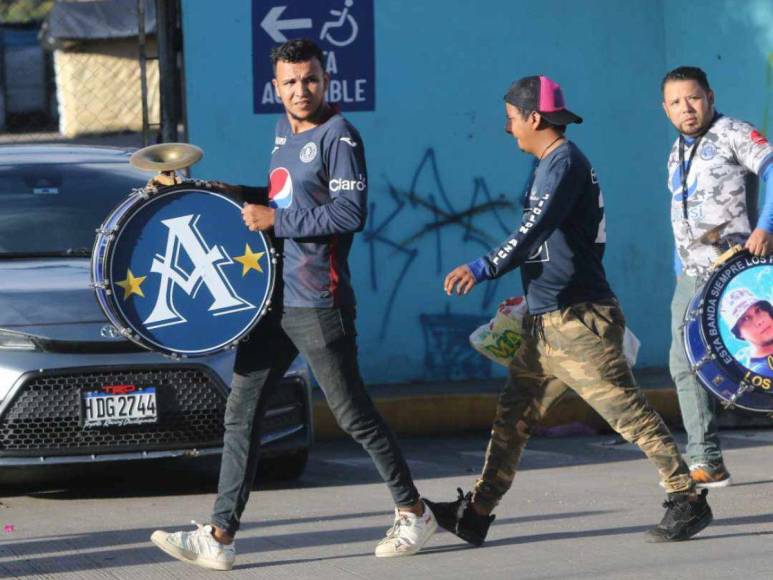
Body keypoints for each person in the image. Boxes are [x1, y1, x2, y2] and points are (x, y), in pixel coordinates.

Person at [150, 38, 436, 571]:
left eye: (310, 79)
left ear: (326, 79)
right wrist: (212, 191)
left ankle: (414, 511)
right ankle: (220, 535)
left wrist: (275, 221)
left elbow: (349, 214)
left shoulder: (340, 136)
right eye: (290, 82)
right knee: (243, 410)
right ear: (275, 87)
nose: (301, 90)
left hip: (318, 299)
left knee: (352, 415)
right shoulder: (284, 132)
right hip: (274, 299)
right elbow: (279, 195)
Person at [426, 75, 712, 545]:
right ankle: (477, 512)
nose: (508, 129)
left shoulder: (563, 163)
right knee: (513, 417)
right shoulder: (549, 165)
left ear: (534, 118)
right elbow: (549, 244)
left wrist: (484, 266)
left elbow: (536, 229)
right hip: (545, 321)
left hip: (579, 320)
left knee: (628, 413)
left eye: (511, 119)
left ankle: (688, 499)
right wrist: (527, 295)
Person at [661, 66, 773, 488]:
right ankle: (706, 459)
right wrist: (679, 273)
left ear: (709, 95)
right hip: (691, 279)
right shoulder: (675, 151)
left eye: (692, 98)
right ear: (665, 109)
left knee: (760, 365)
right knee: (684, 364)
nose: (685, 108)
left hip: (738, 275)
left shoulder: (733, 133)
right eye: (675, 102)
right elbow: (681, 217)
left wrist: (768, 226)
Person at [721, 289, 773, 379]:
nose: (759, 321)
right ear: (739, 333)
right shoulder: (762, 373)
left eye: (758, 310)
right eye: (745, 319)